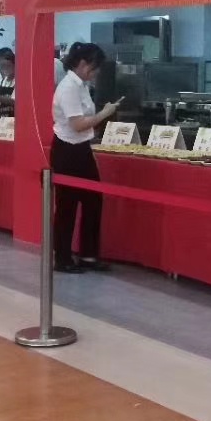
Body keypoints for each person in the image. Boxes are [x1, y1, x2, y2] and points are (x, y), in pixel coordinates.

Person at [51, 42, 118, 274]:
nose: (96, 72)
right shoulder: (68, 87)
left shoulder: (82, 86)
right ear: (82, 63)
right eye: (94, 67)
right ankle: (62, 258)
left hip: (82, 149)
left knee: (93, 200)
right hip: (67, 150)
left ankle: (89, 255)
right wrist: (104, 114)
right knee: (67, 206)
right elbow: (78, 124)